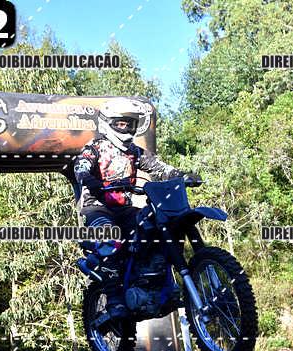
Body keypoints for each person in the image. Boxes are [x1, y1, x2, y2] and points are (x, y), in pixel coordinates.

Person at [73, 97, 199, 319]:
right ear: (107, 123)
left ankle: (152, 280)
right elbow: (81, 165)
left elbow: (158, 166)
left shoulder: (134, 151)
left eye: (130, 124)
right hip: (97, 207)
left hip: (124, 208)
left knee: (154, 228)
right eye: (121, 123)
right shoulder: (95, 147)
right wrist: (87, 178)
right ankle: (114, 299)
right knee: (110, 239)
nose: (126, 128)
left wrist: (181, 175)